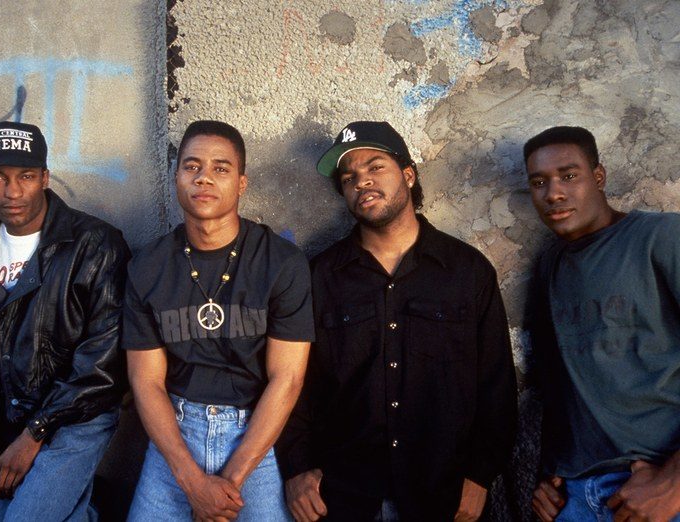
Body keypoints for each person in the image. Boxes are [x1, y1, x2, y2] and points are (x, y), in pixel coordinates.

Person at [277, 121, 517, 521]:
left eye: (375, 167)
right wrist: (297, 468)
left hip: (443, 494)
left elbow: (496, 385)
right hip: (343, 495)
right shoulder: (319, 276)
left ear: (408, 174)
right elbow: (292, 381)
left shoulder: (467, 271)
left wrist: (480, 475)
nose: (362, 181)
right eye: (349, 177)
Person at [0, 121, 130, 521]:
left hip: (78, 420)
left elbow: (104, 361)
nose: (12, 192)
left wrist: (35, 432)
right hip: (10, 429)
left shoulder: (94, 245)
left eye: (25, 176)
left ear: (44, 177)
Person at [123, 120, 314, 521]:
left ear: (241, 183)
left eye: (220, 168)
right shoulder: (148, 266)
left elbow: (287, 379)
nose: (204, 178)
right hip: (175, 435)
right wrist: (193, 483)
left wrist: (230, 484)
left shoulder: (282, 263)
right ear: (176, 177)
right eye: (191, 166)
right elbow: (146, 381)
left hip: (255, 435)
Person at [526, 126, 680, 521]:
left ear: (599, 176)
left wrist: (673, 482)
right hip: (575, 496)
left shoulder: (661, 237)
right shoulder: (550, 265)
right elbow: (559, 382)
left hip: (656, 487)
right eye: (539, 182)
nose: (553, 193)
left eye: (568, 175)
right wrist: (548, 473)